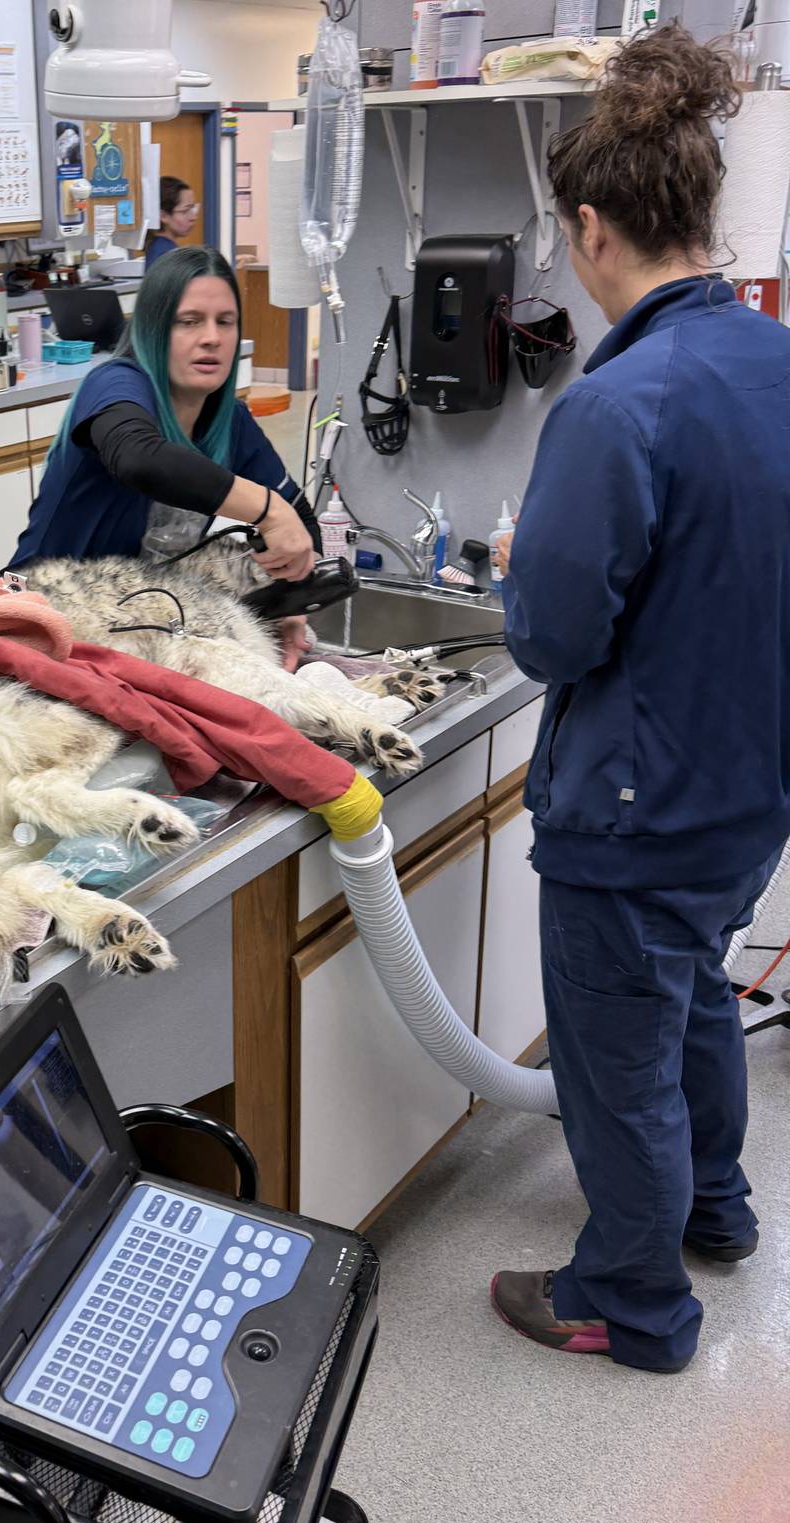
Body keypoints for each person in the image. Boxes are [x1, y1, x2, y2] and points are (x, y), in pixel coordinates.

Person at [488, 26, 790, 1373]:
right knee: (697, 1002)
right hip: (746, 792)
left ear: (596, 227)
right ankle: (717, 1213)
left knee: (619, 1065)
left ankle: (632, 1296)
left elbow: (554, 637)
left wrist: (516, 564)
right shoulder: (775, 361)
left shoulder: (614, 410)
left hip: (632, 805)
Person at [7, 245, 319, 588]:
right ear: (153, 328)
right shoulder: (115, 383)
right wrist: (268, 508)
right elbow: (140, 458)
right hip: (39, 609)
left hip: (135, 619)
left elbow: (300, 523)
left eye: (225, 322)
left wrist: (291, 606)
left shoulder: (229, 421)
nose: (212, 338)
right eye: (189, 321)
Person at [144, 176, 198, 268]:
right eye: (185, 211)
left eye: (193, 209)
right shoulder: (165, 254)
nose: (193, 217)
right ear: (163, 216)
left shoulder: (161, 247)